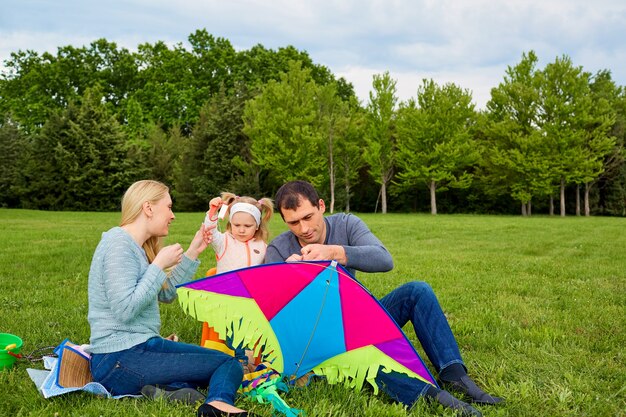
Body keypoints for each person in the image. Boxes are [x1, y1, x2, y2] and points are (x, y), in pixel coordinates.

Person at [264, 180, 503, 417]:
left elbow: (384, 259)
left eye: (308, 217)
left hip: (359, 314)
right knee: (366, 356)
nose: (304, 228)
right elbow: (272, 315)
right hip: (321, 341)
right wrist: (289, 278)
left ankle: (454, 375)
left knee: (417, 291)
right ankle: (433, 396)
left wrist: (334, 252)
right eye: (294, 223)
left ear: (321, 206)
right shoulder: (278, 249)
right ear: (285, 222)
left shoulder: (346, 224)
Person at [86, 180, 258, 417]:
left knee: (222, 362)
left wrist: (193, 251)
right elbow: (124, 309)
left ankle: (170, 390)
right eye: (168, 207)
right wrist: (158, 265)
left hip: (137, 350)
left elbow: (166, 294)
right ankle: (218, 404)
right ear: (148, 208)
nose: (173, 215)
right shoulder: (118, 244)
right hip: (119, 359)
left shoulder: (137, 246)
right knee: (226, 364)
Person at [203, 192, 274, 273]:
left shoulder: (263, 247)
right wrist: (213, 212)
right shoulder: (223, 242)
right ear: (231, 223)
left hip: (252, 285)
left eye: (247, 226)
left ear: (257, 226)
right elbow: (209, 231)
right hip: (226, 285)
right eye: (237, 225)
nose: (241, 230)